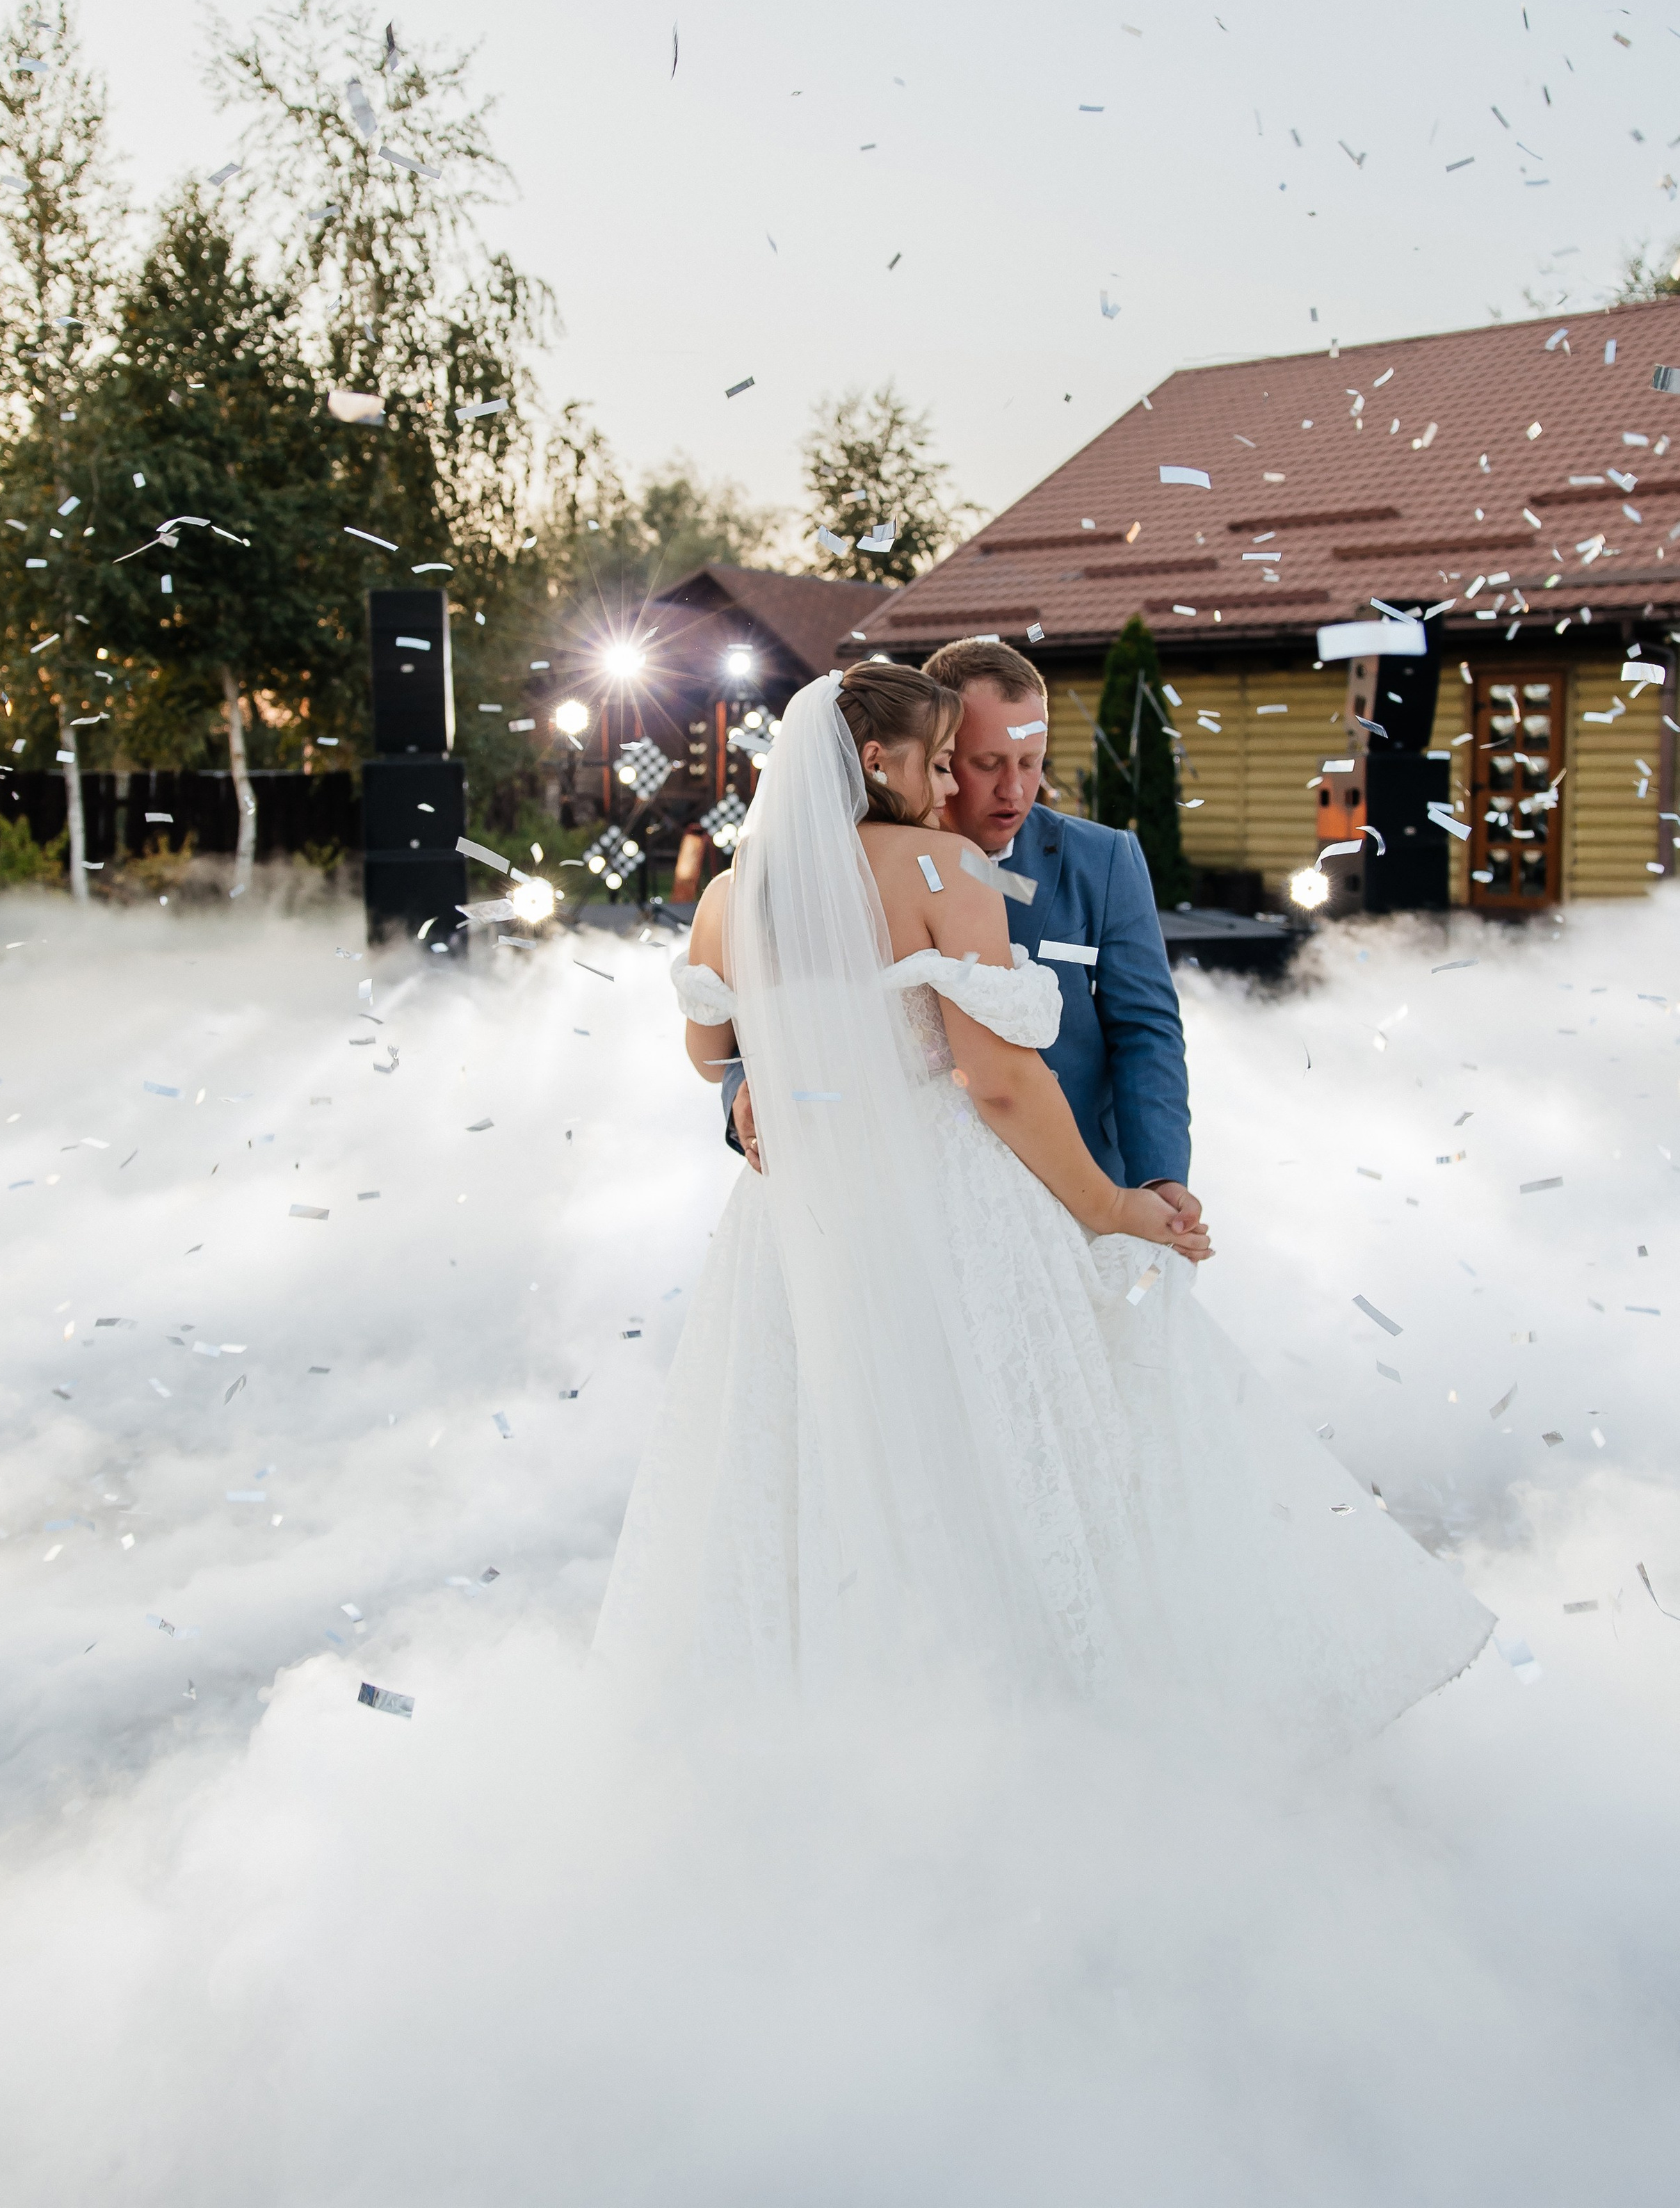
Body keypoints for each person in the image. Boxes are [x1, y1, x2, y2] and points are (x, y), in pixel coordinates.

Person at [595, 664, 1492, 1739]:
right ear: (882, 761)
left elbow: (714, 1052)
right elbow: (1001, 1078)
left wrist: (782, 1086)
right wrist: (1111, 1210)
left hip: (803, 1232)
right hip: (962, 1205)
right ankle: (1073, 1723)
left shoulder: (737, 890)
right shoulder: (941, 863)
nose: (969, 784)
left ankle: (855, 1729)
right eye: (952, 761)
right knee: (1043, 1461)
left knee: (820, 1465)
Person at [724, 639, 1196, 1245]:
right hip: (886, 1208)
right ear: (933, 748)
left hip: (1081, 1196)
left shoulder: (1103, 861)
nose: (1016, 790)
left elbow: (1146, 1031)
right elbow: (760, 1006)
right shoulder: (816, 866)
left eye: (1032, 761)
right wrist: (746, 1086)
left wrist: (1158, 1177)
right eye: (986, 762)